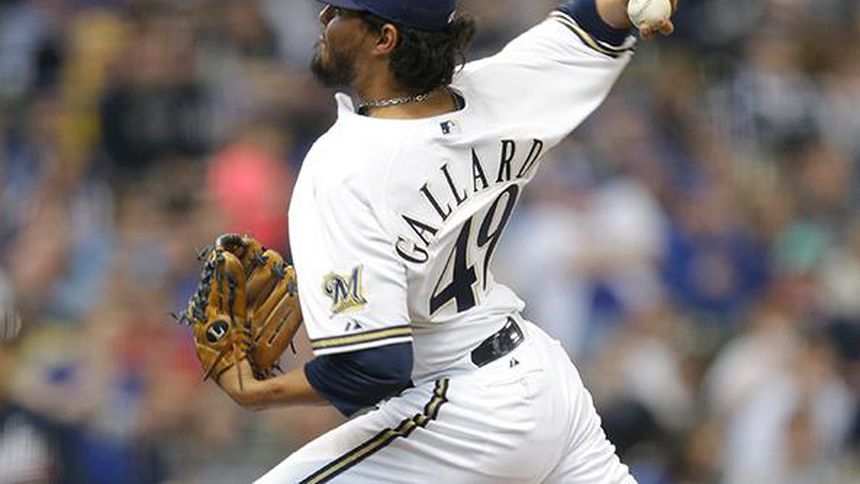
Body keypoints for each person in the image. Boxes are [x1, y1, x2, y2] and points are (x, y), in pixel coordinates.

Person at [216, 0, 676, 482]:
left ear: (384, 39)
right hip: (543, 381)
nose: (324, 18)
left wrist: (257, 391)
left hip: (462, 412)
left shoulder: (342, 167)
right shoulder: (500, 90)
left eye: (340, 12)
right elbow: (598, 20)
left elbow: (372, 367)